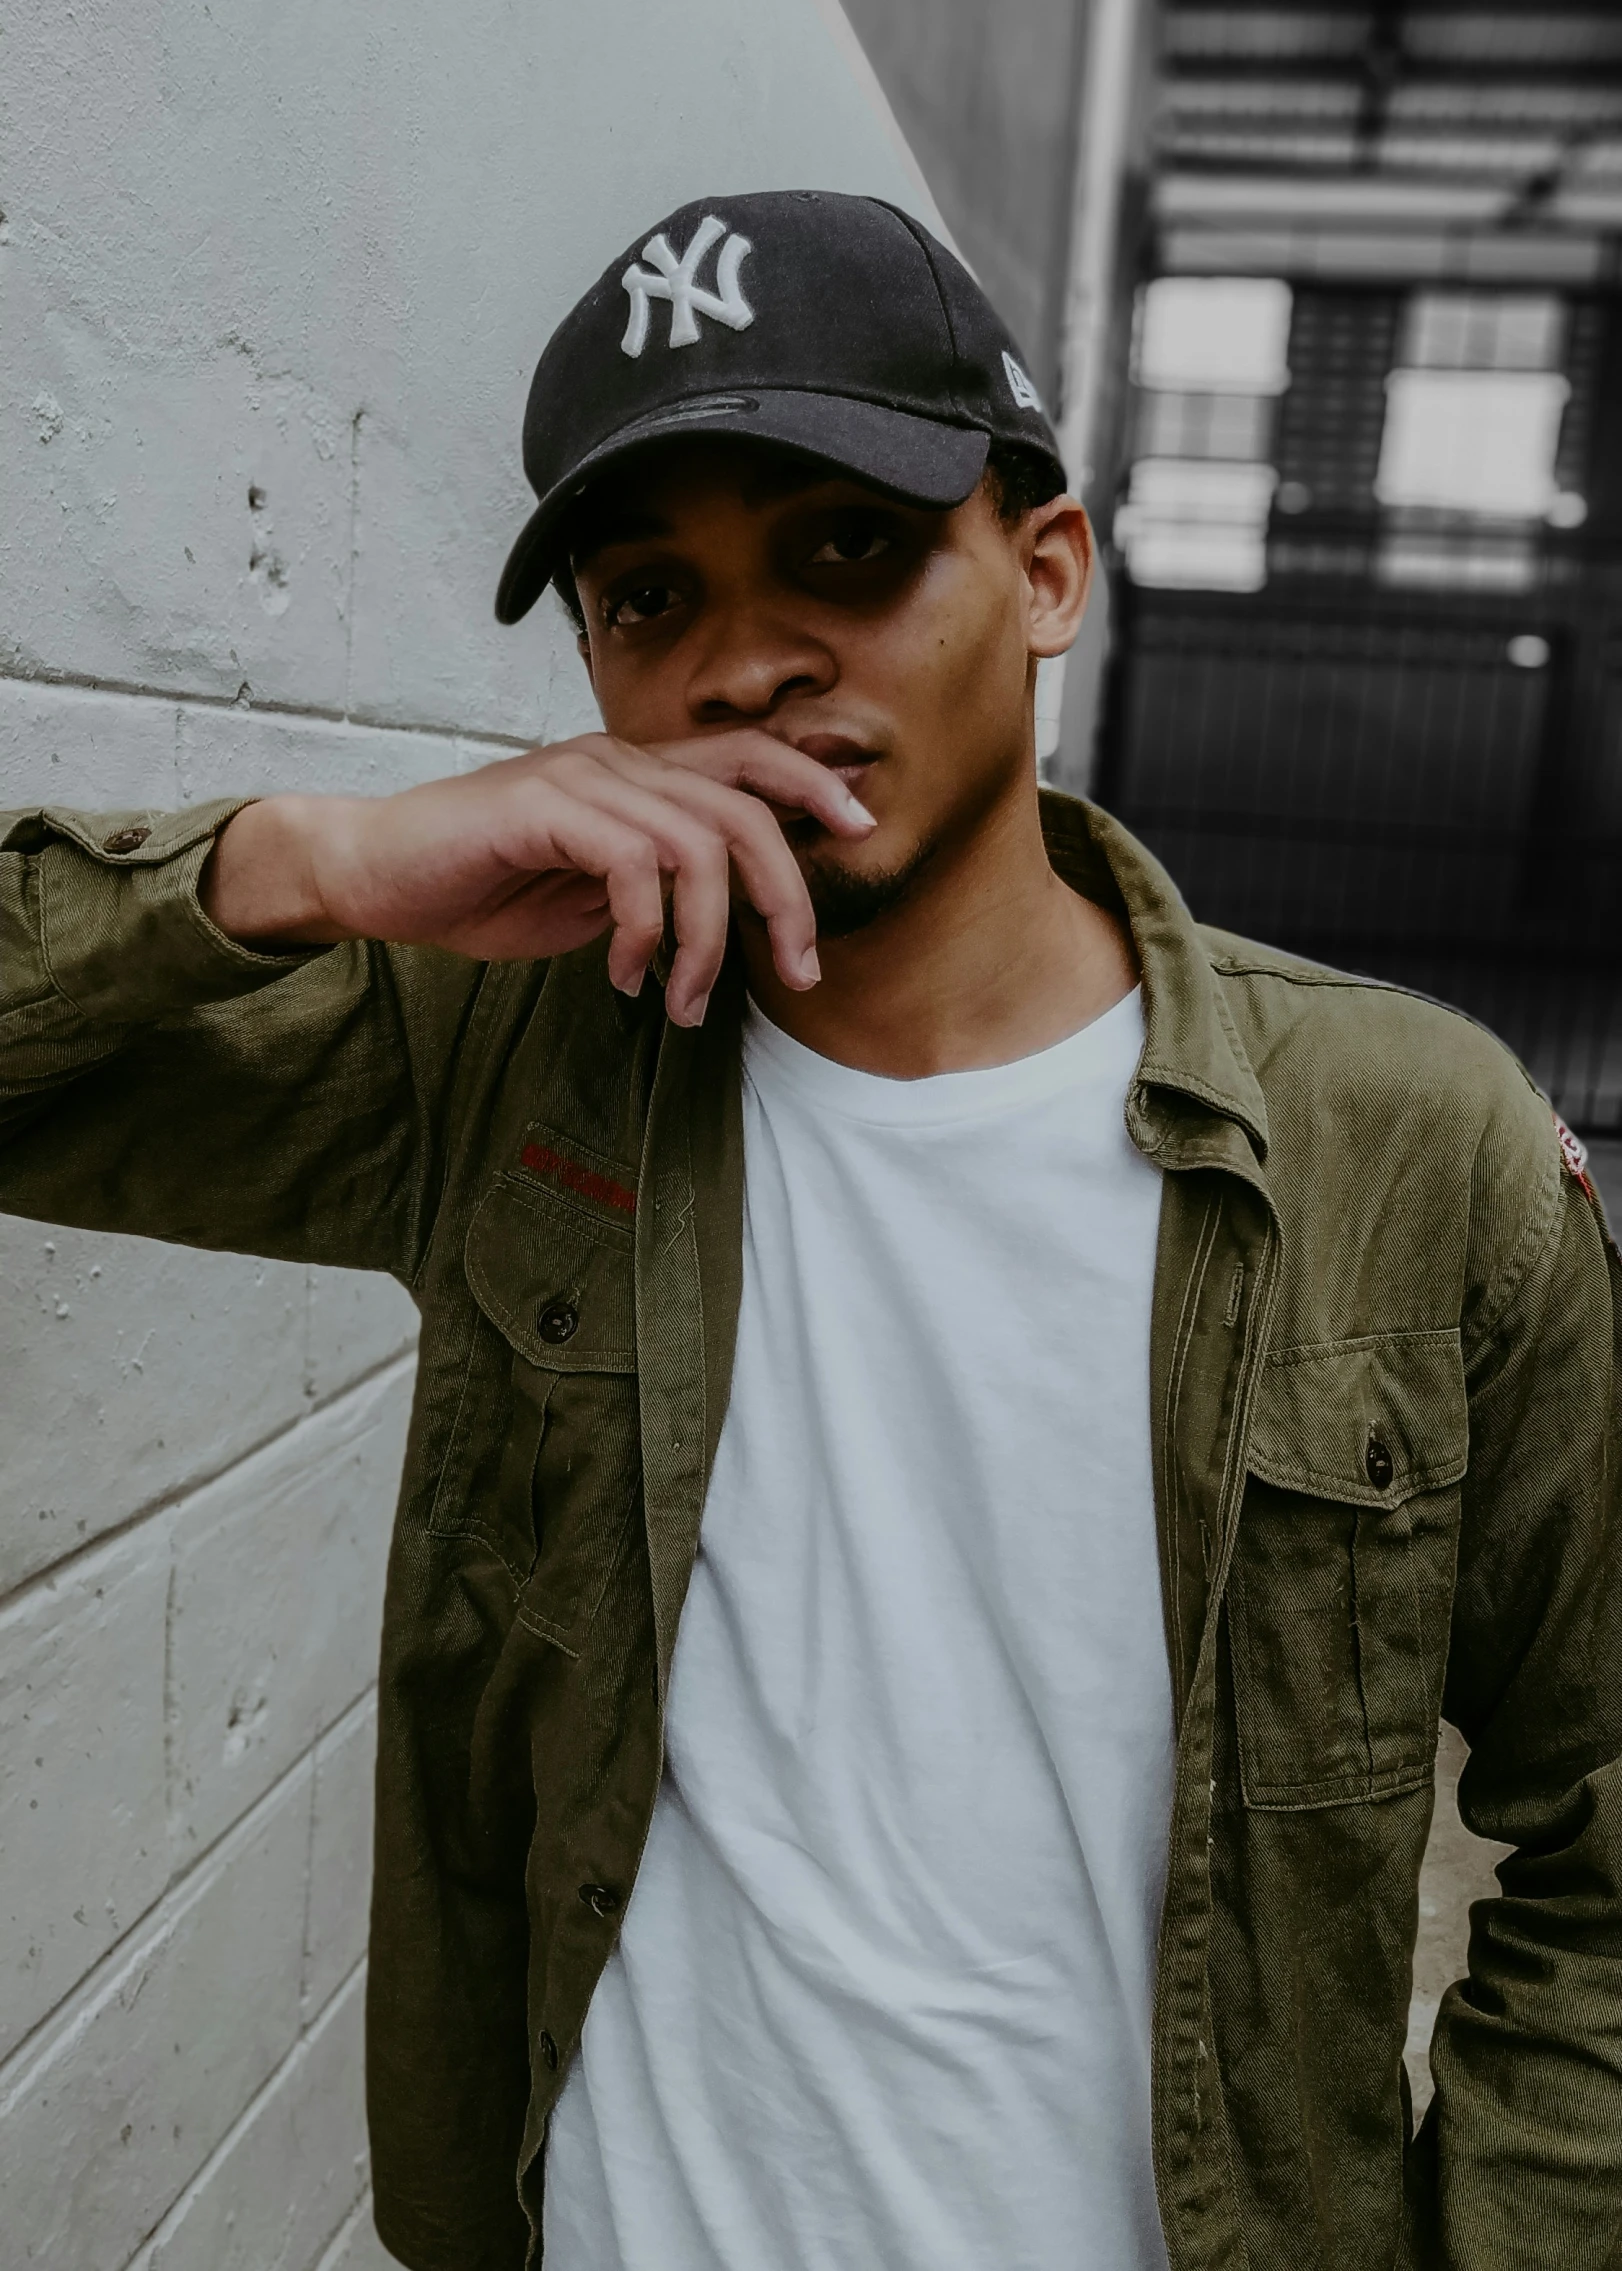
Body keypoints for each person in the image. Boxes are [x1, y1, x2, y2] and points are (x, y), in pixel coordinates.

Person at [2, 189, 1618, 2271]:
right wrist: (314, 859)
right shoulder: (508, 1057)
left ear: (1046, 575)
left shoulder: (1412, 1155)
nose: (740, 659)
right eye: (645, 596)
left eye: (847, 546)